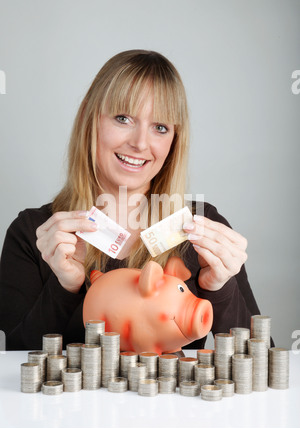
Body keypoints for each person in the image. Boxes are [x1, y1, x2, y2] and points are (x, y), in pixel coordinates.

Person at [0, 50, 261, 351]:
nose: (139, 143)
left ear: (175, 140)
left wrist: (219, 288)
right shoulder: (35, 232)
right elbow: (15, 366)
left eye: (160, 127)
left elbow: (262, 359)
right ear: (89, 117)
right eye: (123, 118)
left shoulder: (202, 229)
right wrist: (65, 289)